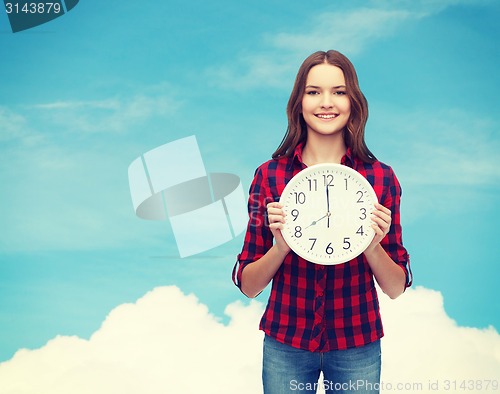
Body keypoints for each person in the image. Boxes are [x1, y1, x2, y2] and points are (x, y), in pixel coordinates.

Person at [232, 50, 412, 394]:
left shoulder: (380, 178)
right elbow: (248, 284)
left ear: (353, 101)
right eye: (314, 91)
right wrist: (281, 246)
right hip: (286, 340)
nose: (326, 102)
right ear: (299, 101)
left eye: (339, 92)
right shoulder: (269, 176)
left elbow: (395, 287)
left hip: (357, 341)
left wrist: (372, 246)